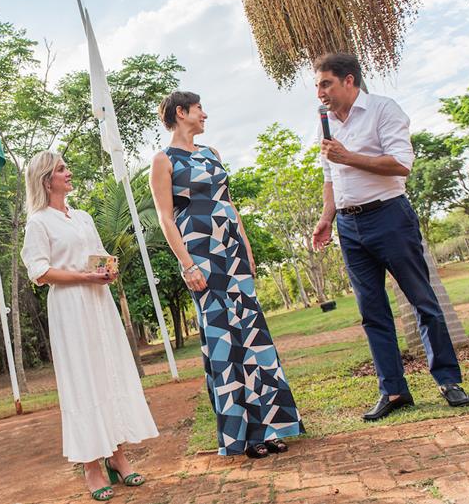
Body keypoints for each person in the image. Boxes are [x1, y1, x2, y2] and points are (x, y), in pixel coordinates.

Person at [311, 52, 469, 421]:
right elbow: (330, 178)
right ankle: (394, 390)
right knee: (372, 313)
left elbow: (401, 163)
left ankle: (448, 380)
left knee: (422, 301)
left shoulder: (384, 110)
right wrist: (326, 218)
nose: (320, 92)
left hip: (389, 217)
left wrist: (348, 156)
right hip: (348, 228)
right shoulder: (324, 123)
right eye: (317, 86)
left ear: (349, 80)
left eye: (326, 83)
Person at [149, 91, 304, 459]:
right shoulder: (163, 160)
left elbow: (228, 203)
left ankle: (270, 426)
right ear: (181, 112)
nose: (205, 114)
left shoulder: (211, 153)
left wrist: (246, 246)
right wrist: (188, 264)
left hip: (233, 251)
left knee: (252, 334)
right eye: (199, 108)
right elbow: (166, 218)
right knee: (224, 338)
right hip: (202, 255)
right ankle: (245, 436)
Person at [20, 151, 158, 501]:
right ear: (45, 179)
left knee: (109, 372)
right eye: (61, 169)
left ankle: (119, 456)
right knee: (83, 380)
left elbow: (98, 256)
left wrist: (106, 272)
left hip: (99, 305)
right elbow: (39, 272)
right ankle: (92, 467)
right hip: (69, 307)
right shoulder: (38, 222)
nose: (69, 173)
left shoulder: (81, 217)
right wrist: (82, 276)